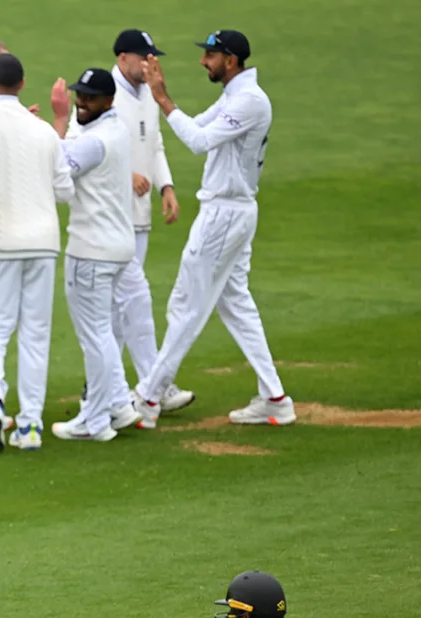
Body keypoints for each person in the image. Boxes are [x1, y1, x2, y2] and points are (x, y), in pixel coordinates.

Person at [134, 31, 296, 427]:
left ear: (231, 59)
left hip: (225, 215)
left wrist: (162, 97)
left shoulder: (249, 101)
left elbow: (199, 141)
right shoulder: (235, 96)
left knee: (186, 305)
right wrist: (163, 101)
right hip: (230, 211)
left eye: (210, 55)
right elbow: (194, 125)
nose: (204, 62)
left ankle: (149, 399)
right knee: (235, 304)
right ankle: (275, 397)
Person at [52, 30, 194, 416]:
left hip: (135, 216)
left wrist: (165, 185)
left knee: (121, 306)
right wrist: (124, 174)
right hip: (111, 216)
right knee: (126, 305)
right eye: (143, 56)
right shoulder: (97, 95)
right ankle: (141, 387)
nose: (150, 63)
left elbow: (155, 144)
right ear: (122, 57)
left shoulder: (145, 92)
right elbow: (81, 146)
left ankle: (124, 390)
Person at [0, 53, 74, 452]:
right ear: (22, 82)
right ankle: (31, 427)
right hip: (43, 242)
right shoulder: (45, 131)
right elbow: (65, 191)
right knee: (35, 335)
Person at [49, 68, 144, 442]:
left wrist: (57, 120)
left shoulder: (95, 142)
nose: (81, 102)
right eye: (79, 95)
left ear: (109, 101)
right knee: (102, 332)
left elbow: (56, 172)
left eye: (90, 97)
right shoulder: (113, 130)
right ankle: (119, 404)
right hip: (117, 247)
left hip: (92, 251)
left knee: (96, 337)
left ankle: (95, 421)